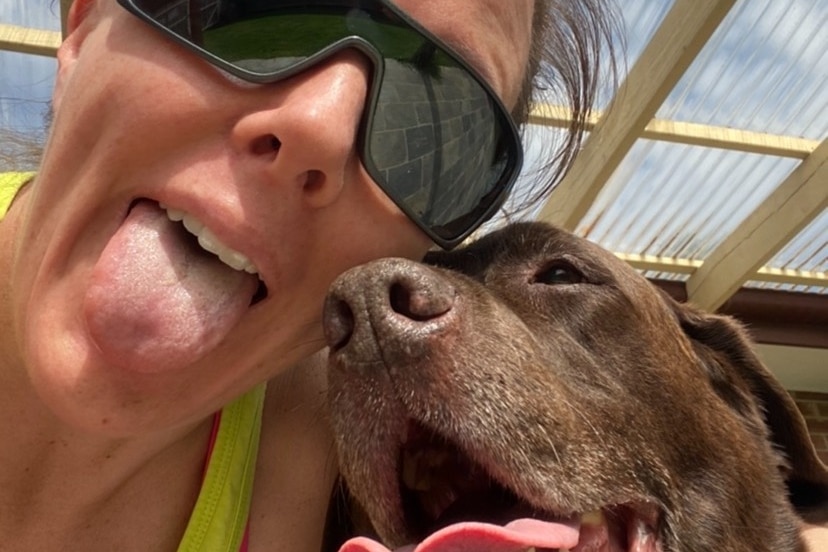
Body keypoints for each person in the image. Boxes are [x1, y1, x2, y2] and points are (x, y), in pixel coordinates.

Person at [0, 0, 615, 550]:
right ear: (81, 25)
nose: (319, 127)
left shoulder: (358, 466)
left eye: (438, 127)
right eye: (248, 12)